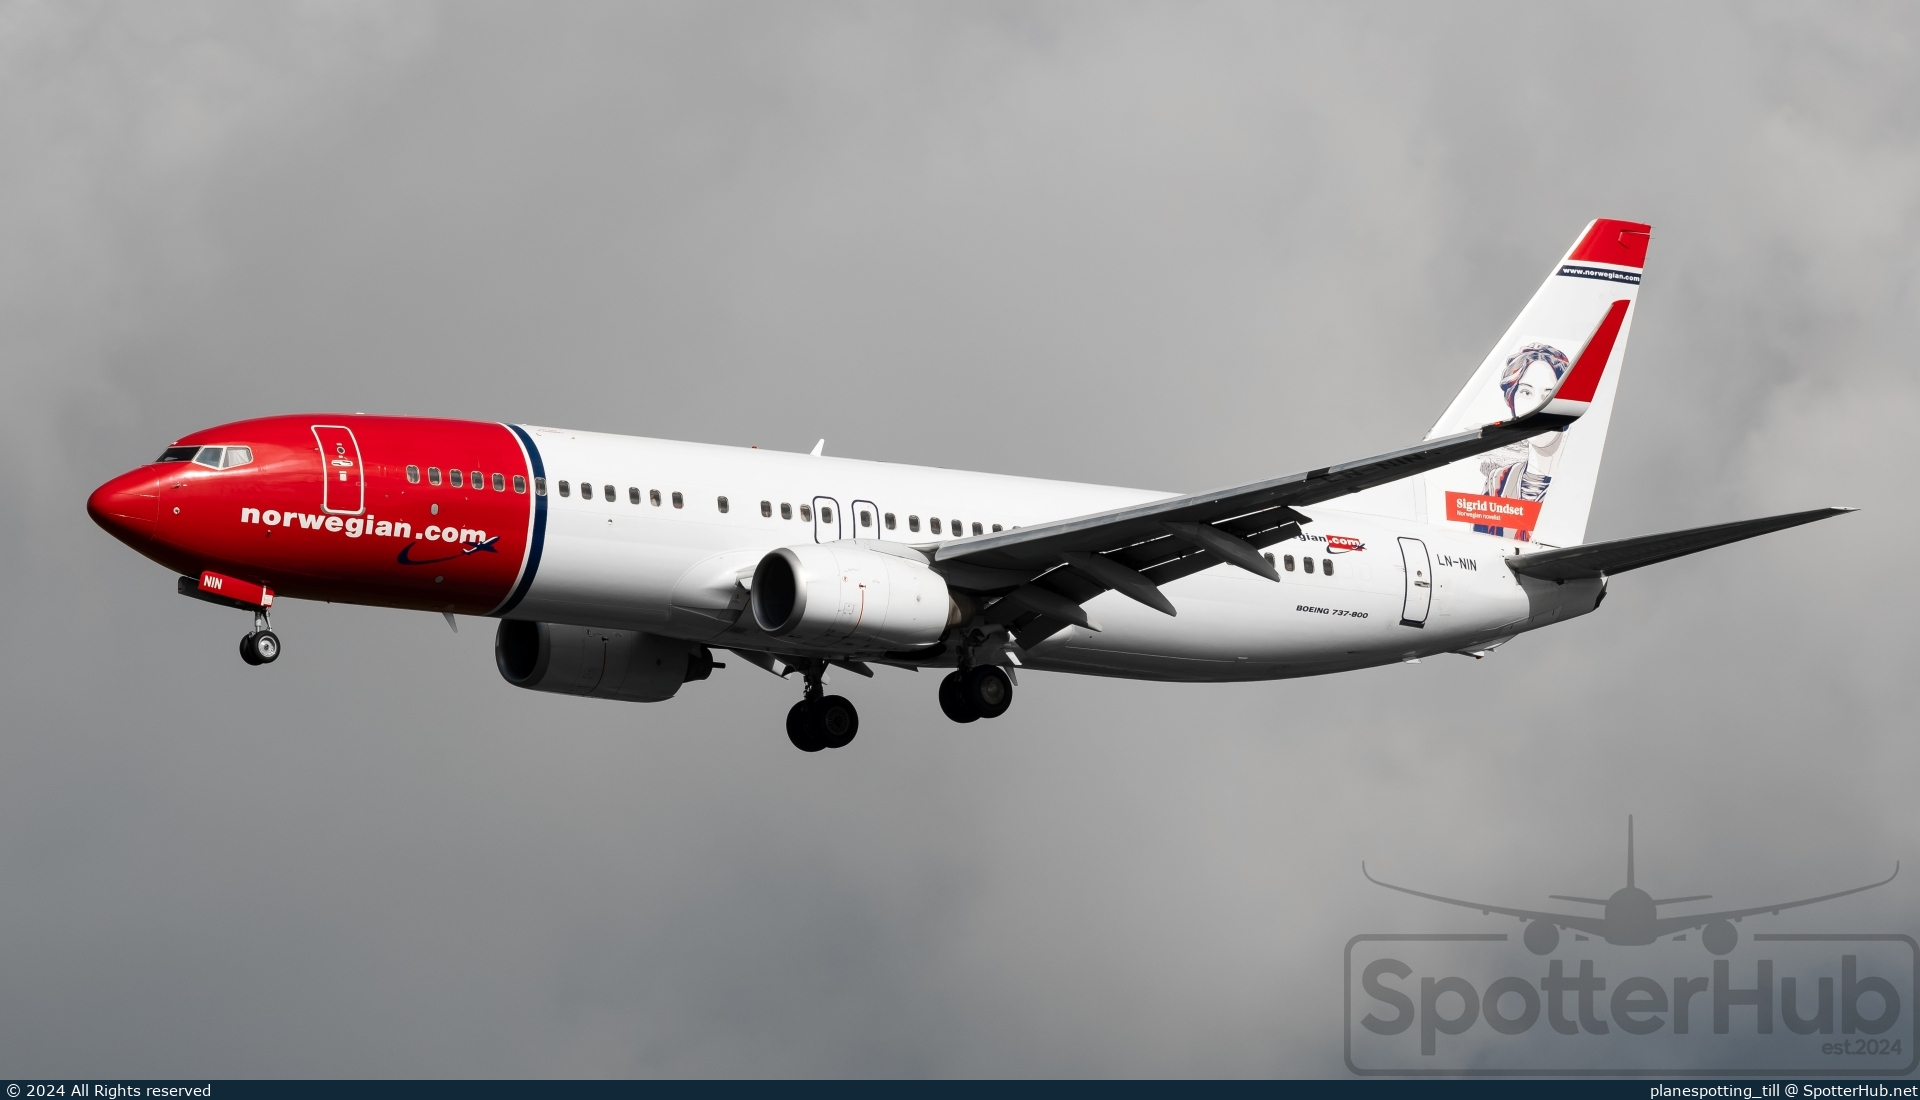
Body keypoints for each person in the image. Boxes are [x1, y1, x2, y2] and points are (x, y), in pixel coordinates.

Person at [1474, 342, 1569, 541]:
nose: (1536, 407)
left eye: (1548, 395)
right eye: (1526, 393)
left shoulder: (1572, 485)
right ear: (1512, 402)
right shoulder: (1498, 481)